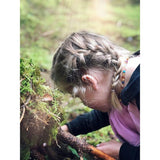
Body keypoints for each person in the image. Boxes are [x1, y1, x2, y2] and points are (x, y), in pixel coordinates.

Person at [51, 31, 140, 160]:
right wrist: (67, 129)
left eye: (79, 97)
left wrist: (123, 151)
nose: (83, 102)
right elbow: (99, 117)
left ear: (89, 82)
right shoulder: (117, 85)